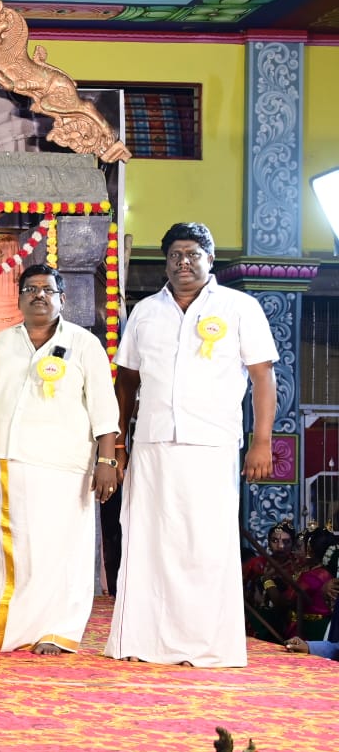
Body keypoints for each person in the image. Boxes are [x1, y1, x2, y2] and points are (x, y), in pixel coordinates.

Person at [106, 222, 278, 668]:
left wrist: (262, 442)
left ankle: (205, 645)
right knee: (149, 541)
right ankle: (143, 642)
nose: (184, 262)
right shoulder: (146, 311)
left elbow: (263, 376)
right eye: (175, 255)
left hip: (212, 443)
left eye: (193, 254)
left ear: (210, 257)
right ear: (165, 261)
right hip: (153, 442)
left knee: (206, 544)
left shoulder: (240, 307)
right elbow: (127, 380)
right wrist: (119, 442)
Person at [0, 265, 118, 656]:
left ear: (63, 298)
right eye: (31, 289)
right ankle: (1, 630)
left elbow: (103, 407)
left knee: (59, 551)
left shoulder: (84, 344)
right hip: (5, 461)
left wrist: (107, 460)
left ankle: (57, 631)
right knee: (3, 552)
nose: (39, 295)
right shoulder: (1, 344)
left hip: (63, 466)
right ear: (19, 298)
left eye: (48, 289)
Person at [241, 520, 303, 643]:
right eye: (275, 541)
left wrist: (267, 580)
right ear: (268, 543)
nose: (280, 546)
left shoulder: (298, 565)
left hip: (286, 623)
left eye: (286, 541)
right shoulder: (256, 563)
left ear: (293, 543)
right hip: (257, 621)